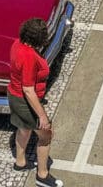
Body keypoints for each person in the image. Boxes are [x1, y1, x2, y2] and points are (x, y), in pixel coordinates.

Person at [9, 18, 62, 187]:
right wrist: (42, 117)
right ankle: (42, 175)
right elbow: (28, 90)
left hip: (14, 95)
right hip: (24, 101)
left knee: (24, 129)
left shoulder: (17, 43)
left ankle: (20, 162)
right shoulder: (29, 56)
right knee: (46, 135)